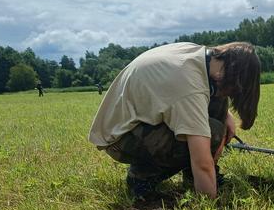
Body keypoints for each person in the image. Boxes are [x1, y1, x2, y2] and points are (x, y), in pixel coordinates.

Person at [88, 41, 261, 199]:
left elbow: (206, 92)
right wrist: (210, 204)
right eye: (232, 91)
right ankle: (141, 177)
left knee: (217, 114)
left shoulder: (200, 58)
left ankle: (194, 178)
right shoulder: (189, 87)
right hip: (120, 138)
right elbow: (202, 162)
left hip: (136, 120)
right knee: (214, 132)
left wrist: (226, 115)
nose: (229, 96)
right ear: (231, 77)